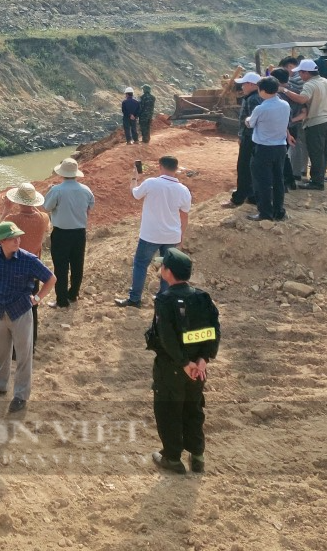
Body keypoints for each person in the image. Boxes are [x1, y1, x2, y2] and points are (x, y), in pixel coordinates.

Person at [144, 248, 220, 475]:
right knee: (194, 409)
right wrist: (203, 360)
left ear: (168, 272)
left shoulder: (165, 300)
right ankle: (197, 457)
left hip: (172, 368)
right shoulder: (202, 298)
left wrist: (184, 363)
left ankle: (172, 458)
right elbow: (213, 330)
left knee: (168, 410)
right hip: (198, 370)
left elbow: (166, 337)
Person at [0, 222, 55, 414]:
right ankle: (0, 384)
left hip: (20, 312)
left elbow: (51, 279)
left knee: (23, 354)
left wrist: (37, 298)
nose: (17, 241)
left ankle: (20, 395)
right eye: (12, 238)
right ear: (1, 241)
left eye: (18, 237)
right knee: (2, 351)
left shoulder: (28, 260)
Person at [115, 156, 192, 309]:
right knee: (167, 266)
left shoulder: (151, 183)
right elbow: (184, 215)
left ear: (160, 166)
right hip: (171, 236)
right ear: (176, 169)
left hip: (150, 235)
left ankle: (135, 299)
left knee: (140, 264)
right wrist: (181, 236)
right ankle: (163, 299)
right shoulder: (183, 190)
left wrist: (134, 178)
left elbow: (135, 194)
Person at [42, 157, 95, 310]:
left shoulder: (56, 190)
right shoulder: (86, 190)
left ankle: (62, 300)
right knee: (78, 264)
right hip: (79, 233)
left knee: (61, 267)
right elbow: (90, 206)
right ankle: (73, 294)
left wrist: (48, 191)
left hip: (61, 234)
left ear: (62, 173)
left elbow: (47, 207)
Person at [2, 182, 51, 346]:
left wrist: (7, 209)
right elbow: (41, 217)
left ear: (18, 201)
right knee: (31, 307)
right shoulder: (43, 219)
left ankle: (15, 347)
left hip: (14, 268)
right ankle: (31, 342)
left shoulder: (12, 220)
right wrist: (33, 206)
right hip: (33, 269)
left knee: (12, 309)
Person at [281, 59, 327, 189]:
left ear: (306, 72)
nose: (299, 76)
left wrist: (284, 91)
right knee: (325, 152)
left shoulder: (309, 85)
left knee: (316, 152)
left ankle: (317, 182)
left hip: (316, 122)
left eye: (300, 73)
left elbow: (302, 99)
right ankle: (319, 177)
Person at [246, 76, 291, 221]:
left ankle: (265, 213)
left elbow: (250, 124)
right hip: (280, 147)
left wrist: (247, 119)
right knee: (278, 180)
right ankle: (279, 211)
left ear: (263, 91)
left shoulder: (261, 108)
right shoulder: (285, 105)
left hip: (263, 148)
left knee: (262, 182)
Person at [228, 72, 262, 208]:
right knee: (252, 167)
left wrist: (243, 136)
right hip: (255, 138)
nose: (242, 87)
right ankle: (251, 195)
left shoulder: (253, 99)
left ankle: (239, 197)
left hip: (250, 138)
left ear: (251, 84)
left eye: (244, 84)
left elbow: (252, 122)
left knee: (244, 168)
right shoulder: (257, 97)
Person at [279, 56, 309, 183]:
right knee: (298, 146)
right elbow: (304, 111)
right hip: (297, 120)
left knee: (290, 149)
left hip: (290, 124)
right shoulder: (296, 85)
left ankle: (291, 176)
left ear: (290, 66)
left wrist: (289, 122)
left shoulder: (290, 87)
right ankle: (298, 173)